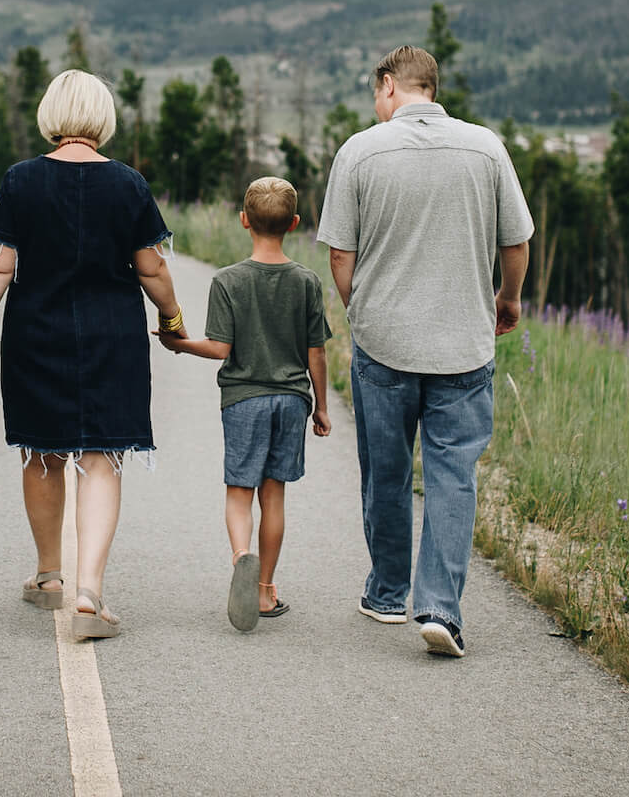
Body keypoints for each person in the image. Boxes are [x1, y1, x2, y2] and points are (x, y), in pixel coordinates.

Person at [317, 45, 532, 659]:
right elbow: (515, 241)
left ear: (389, 85)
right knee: (451, 476)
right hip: (463, 346)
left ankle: (387, 594)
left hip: (384, 344)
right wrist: (507, 301)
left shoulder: (359, 151)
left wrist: (360, 307)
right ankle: (440, 608)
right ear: (430, 88)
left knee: (386, 472)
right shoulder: (486, 147)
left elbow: (339, 253)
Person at [0, 69, 184, 640]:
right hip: (114, 337)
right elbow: (151, 266)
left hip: (38, 334)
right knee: (102, 457)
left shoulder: (21, 180)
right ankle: (89, 594)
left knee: (43, 452)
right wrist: (172, 317)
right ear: (102, 118)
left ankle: (48, 576)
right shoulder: (129, 184)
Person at [159, 176, 332, 632]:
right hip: (292, 400)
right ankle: (265, 590)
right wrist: (322, 407)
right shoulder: (308, 282)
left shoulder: (228, 281)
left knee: (240, 492)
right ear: (294, 224)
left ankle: (241, 558)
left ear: (243, 221)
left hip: (244, 401)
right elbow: (317, 351)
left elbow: (219, 348)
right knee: (273, 494)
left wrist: (178, 345)